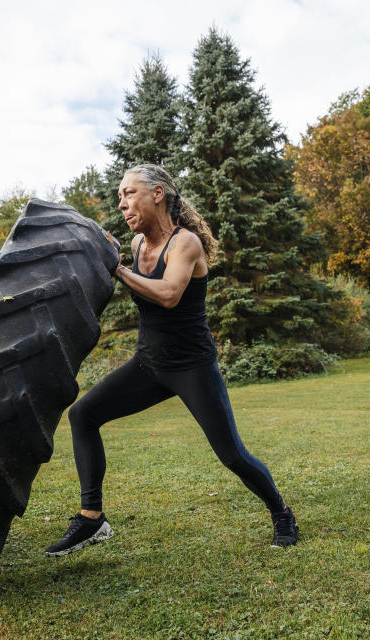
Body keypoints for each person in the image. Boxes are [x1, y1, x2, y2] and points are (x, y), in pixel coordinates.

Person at [45, 164, 297, 557]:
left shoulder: (186, 244)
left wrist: (118, 270)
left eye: (129, 193)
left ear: (157, 193)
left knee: (232, 454)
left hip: (192, 368)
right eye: (119, 197)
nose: (123, 203)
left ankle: (281, 512)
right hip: (148, 366)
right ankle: (92, 517)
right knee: (83, 416)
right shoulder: (134, 247)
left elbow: (167, 294)